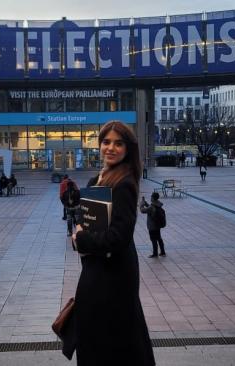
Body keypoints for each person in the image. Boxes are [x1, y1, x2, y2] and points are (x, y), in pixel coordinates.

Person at [70, 121, 155, 365]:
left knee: (114, 336)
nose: (111, 148)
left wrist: (82, 239)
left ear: (128, 149)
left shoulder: (124, 183)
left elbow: (119, 236)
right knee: (98, 331)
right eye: (106, 142)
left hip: (114, 271)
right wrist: (79, 227)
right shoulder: (98, 178)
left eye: (119, 143)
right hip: (99, 265)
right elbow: (88, 218)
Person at [139, 192, 166, 258]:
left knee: (153, 239)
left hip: (152, 226)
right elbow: (151, 208)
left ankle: (155, 253)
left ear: (153, 198)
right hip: (157, 225)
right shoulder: (158, 204)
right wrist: (146, 203)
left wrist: (142, 204)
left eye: (151, 197)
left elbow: (143, 210)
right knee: (159, 238)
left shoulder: (152, 207)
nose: (150, 198)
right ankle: (162, 252)